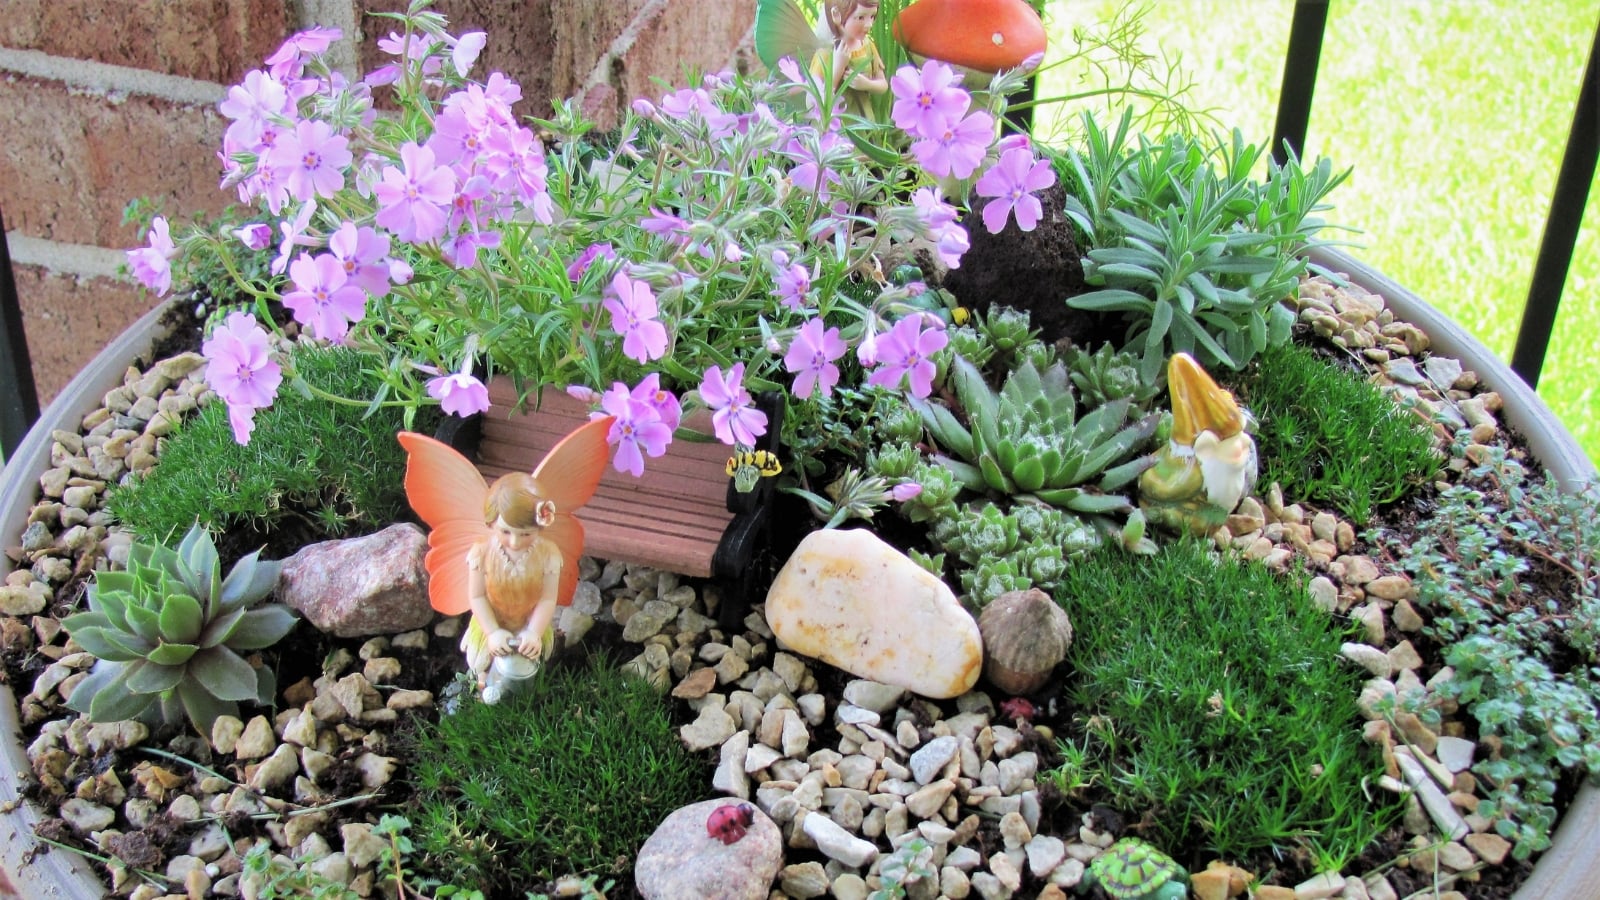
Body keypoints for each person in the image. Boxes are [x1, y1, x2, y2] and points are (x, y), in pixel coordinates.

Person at [463, 472, 564, 699]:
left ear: (540, 528)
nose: (515, 542)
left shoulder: (548, 554)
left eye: (526, 534)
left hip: (528, 619)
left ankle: (527, 690)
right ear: (491, 524)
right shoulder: (482, 552)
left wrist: (534, 631)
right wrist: (493, 631)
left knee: (529, 657)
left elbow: (548, 598)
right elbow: (477, 596)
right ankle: (483, 685)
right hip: (492, 618)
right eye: (505, 531)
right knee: (483, 661)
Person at [809, 0, 887, 117]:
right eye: (860, 17)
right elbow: (813, 104)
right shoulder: (825, 54)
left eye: (872, 16)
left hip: (865, 122)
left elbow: (883, 85)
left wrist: (867, 84)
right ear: (837, 15)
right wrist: (838, 68)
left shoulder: (868, 46)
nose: (869, 24)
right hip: (837, 126)